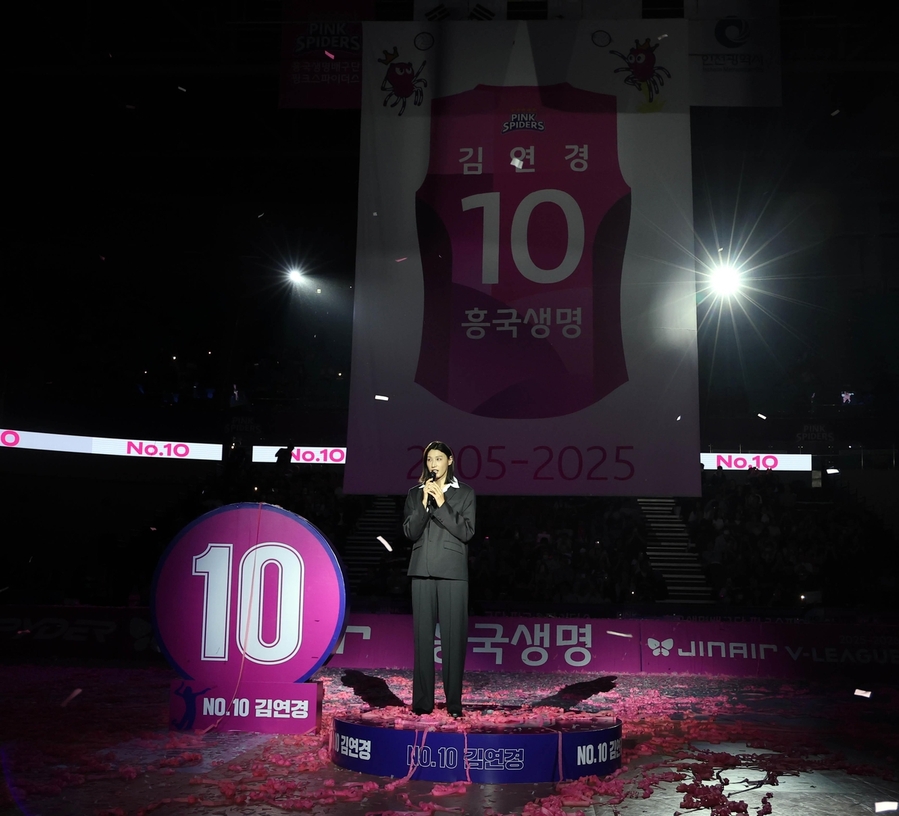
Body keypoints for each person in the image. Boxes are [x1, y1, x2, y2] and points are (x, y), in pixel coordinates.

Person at [403, 441, 476, 718]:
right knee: (422, 640)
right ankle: (422, 703)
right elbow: (410, 532)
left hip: (453, 572)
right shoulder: (414, 493)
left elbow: (467, 531)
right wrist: (423, 505)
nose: (433, 464)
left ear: (449, 460)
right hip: (421, 569)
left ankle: (454, 704)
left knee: (453, 640)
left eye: (438, 458)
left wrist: (443, 503)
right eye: (429, 459)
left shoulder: (465, 493)